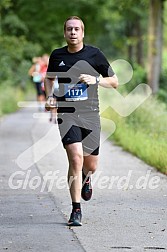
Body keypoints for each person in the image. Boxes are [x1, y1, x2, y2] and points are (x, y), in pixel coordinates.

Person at [44, 16, 118, 226]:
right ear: (65, 33)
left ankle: (87, 176)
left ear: (83, 33)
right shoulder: (57, 55)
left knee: (90, 165)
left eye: (77, 29)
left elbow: (115, 82)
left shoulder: (95, 55)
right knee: (75, 158)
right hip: (67, 113)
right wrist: (50, 96)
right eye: (69, 29)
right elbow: (49, 78)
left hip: (90, 114)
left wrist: (96, 79)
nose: (73, 33)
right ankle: (76, 209)